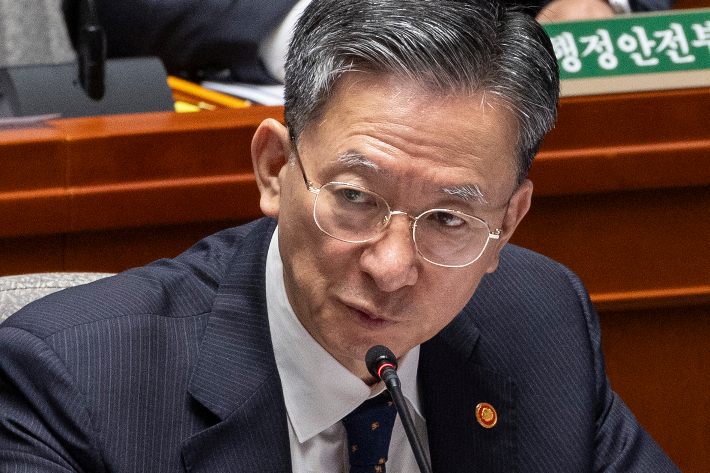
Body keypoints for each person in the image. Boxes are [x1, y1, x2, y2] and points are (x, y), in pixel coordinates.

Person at [0, 0, 680, 471]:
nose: (392, 267)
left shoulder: (541, 326)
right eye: (355, 198)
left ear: (507, 223)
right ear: (274, 168)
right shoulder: (73, 383)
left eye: (449, 219)